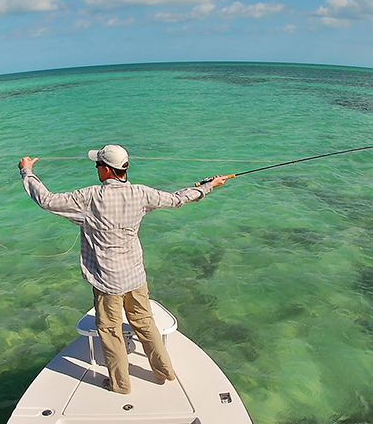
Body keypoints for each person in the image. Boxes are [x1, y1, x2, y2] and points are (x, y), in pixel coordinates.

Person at [18, 144, 230, 394]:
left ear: (107, 170)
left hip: (107, 282)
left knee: (110, 331)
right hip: (136, 277)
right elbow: (177, 199)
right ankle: (164, 372)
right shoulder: (141, 194)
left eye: (97, 164)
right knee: (145, 323)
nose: (96, 168)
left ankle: (120, 384)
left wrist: (27, 171)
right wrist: (208, 186)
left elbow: (46, 200)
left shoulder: (88, 197)